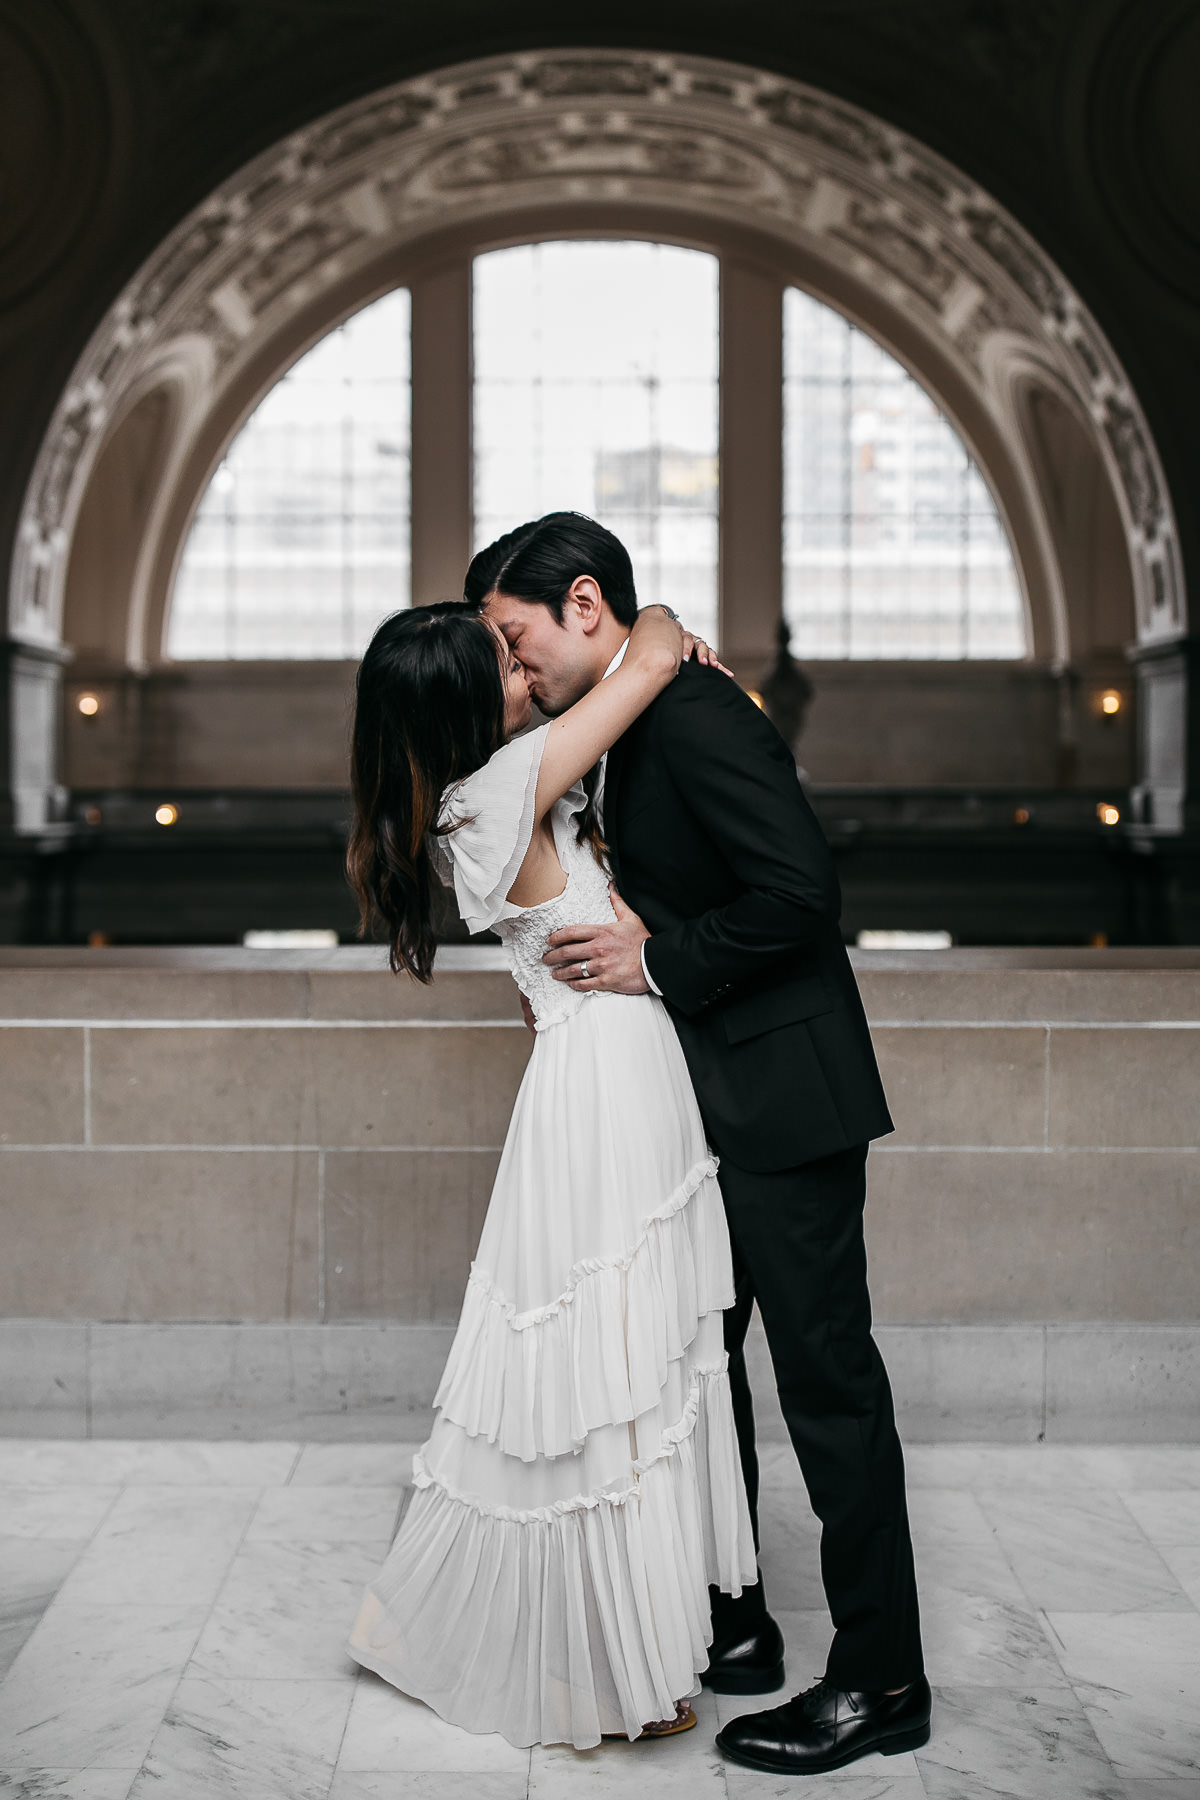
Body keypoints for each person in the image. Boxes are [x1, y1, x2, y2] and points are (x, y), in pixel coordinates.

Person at [472, 512, 930, 1777]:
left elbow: (802, 896)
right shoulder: (617, 716)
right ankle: (737, 1624)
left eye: (514, 636)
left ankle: (883, 1679)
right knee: (699, 1369)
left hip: (785, 1101)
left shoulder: (697, 712)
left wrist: (657, 960)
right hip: (688, 1115)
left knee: (827, 1382)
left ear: (581, 604)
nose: (513, 666)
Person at [343, 594, 758, 1750]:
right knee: (607, 1361)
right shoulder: (495, 791)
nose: (528, 668)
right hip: (604, 1088)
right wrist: (660, 620)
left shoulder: (486, 792)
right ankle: (609, 1667)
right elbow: (649, 658)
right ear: (464, 707)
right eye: (504, 663)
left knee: (624, 1354)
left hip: (605, 1075)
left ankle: (627, 1643)